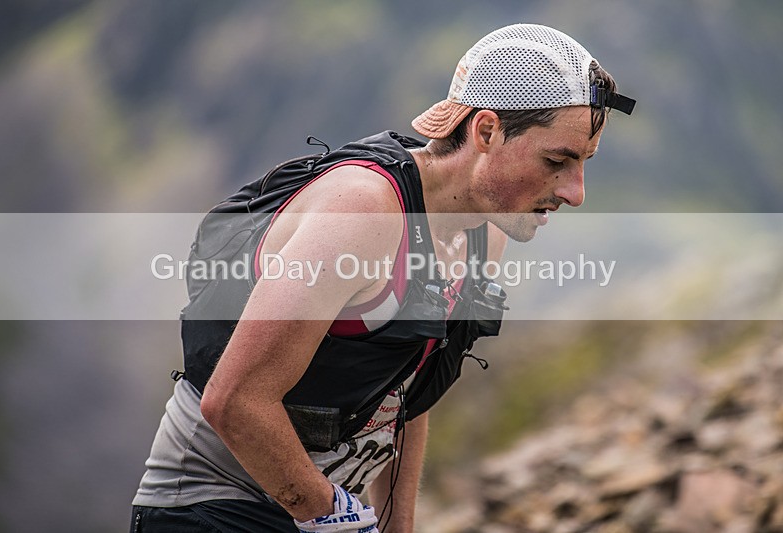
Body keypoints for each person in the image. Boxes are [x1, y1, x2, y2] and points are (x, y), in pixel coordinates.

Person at [131, 23, 634, 533]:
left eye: (584, 163)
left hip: (313, 512)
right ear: (486, 131)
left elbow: (404, 394)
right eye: (557, 160)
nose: (576, 192)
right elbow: (234, 401)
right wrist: (336, 518)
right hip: (210, 509)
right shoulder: (364, 212)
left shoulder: (485, 232)